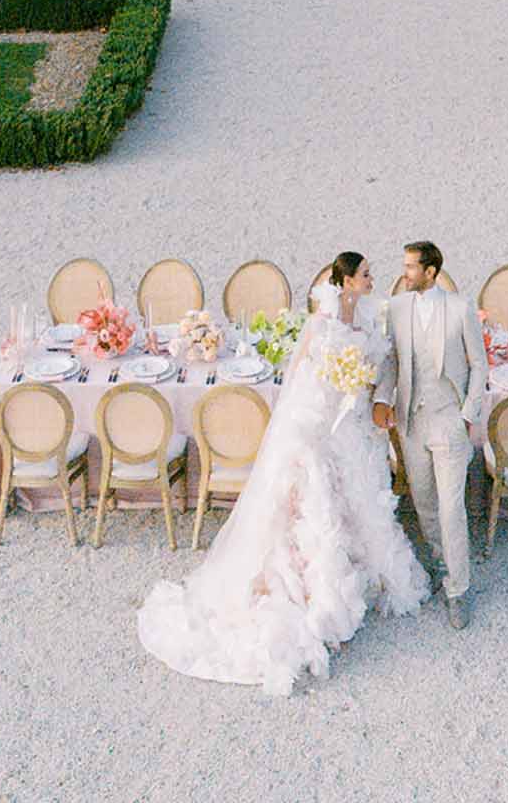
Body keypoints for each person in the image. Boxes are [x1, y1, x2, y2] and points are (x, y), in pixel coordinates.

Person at [137, 252, 427, 697]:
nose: (373, 278)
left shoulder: (371, 319)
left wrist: (367, 394)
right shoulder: (319, 324)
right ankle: (312, 586)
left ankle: (360, 571)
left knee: (358, 496)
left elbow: (382, 368)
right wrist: (306, 416)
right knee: (311, 504)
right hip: (317, 419)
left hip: (351, 426)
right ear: (346, 281)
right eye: (366, 274)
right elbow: (296, 377)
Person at [372, 241, 486, 630]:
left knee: (452, 508)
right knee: (424, 503)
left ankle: (459, 589)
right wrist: (382, 398)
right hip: (411, 421)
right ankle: (442, 566)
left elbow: (479, 365)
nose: (404, 273)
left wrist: (467, 415)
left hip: (448, 420)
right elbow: (391, 360)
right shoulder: (398, 308)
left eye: (410, 268)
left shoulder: (460, 308)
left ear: (431, 272)